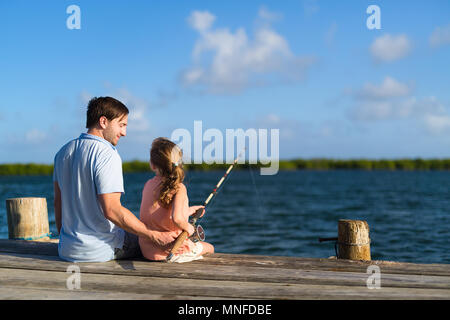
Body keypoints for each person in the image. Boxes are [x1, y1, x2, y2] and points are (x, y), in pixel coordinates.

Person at [53, 96, 175, 262]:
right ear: (103, 121)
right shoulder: (107, 154)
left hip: (67, 249)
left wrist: (67, 241)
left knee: (139, 231)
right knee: (148, 239)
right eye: (121, 125)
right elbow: (112, 210)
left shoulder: (62, 152)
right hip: (100, 251)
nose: (124, 133)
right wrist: (153, 235)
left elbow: (58, 203)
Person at [139, 137, 214, 262]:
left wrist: (189, 210)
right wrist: (189, 228)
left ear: (152, 164)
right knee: (210, 248)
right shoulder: (179, 187)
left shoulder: (148, 184)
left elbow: (161, 213)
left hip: (147, 251)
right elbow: (177, 219)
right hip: (170, 252)